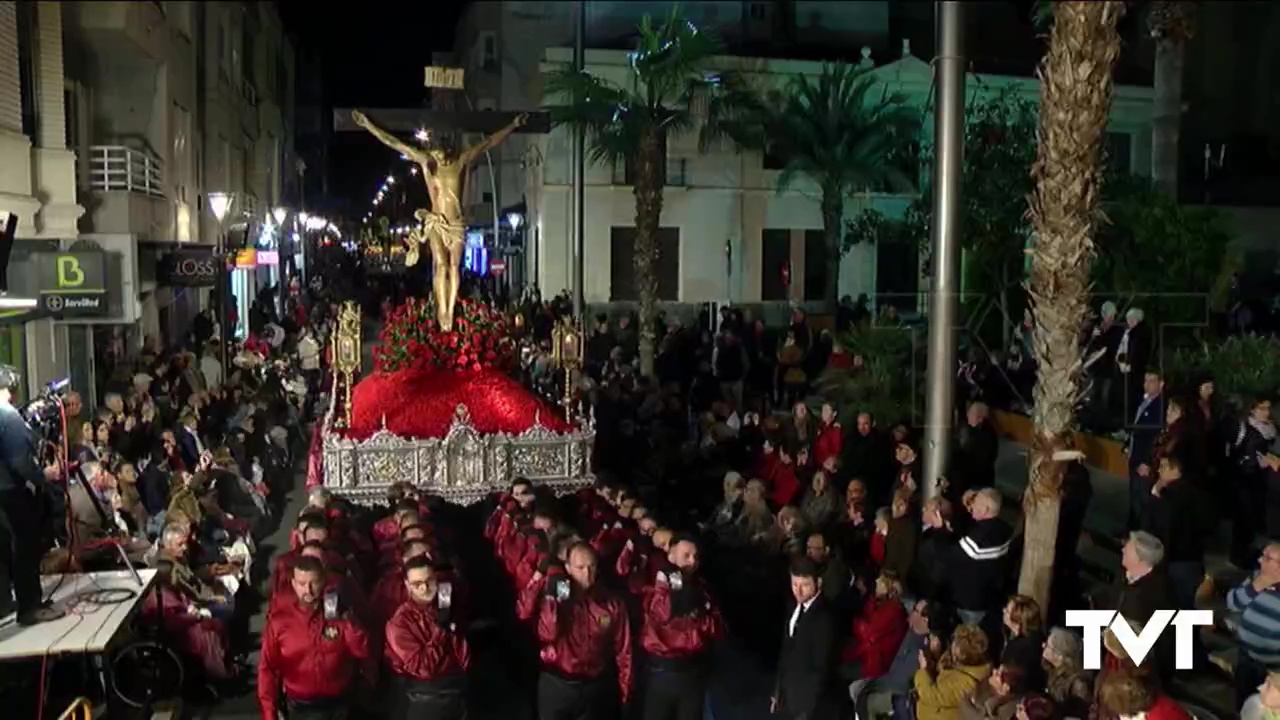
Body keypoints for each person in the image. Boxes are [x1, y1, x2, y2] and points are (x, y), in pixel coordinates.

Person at [257, 556, 376, 720]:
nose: (308, 590)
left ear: (324, 581)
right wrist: (269, 712)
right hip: (300, 707)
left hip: (341, 704)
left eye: (314, 582)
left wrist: (348, 621)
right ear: (293, 584)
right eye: (302, 584)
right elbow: (267, 669)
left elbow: (363, 651)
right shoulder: (280, 622)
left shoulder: (340, 614)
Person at [535, 542, 633, 720]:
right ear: (568, 568)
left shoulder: (612, 603)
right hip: (557, 684)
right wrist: (551, 599)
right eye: (580, 568)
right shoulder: (557, 597)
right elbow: (547, 634)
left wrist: (625, 692)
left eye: (591, 566)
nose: (587, 574)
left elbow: (624, 650)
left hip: (593, 687)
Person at [0, 365, 63, 624]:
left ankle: (5, 603)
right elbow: (21, 463)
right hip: (10, 493)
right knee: (26, 545)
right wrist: (44, 476)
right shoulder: (9, 418)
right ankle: (30, 607)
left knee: (3, 549)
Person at [639, 536, 725, 720]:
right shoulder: (654, 587)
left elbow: (718, 631)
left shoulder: (702, 590)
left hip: (692, 672)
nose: (692, 562)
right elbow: (659, 616)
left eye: (696, 557)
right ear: (671, 556)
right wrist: (675, 595)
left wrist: (701, 611)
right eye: (686, 555)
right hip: (660, 672)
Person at [384, 556, 470, 720]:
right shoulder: (400, 623)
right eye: (417, 584)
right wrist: (441, 630)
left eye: (429, 580)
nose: (424, 588)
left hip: (457, 692)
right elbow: (423, 667)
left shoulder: (446, 607)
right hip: (424, 698)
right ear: (408, 586)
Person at [773, 556, 837, 720]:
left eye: (805, 585)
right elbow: (786, 650)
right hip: (788, 695)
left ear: (819, 582)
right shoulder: (793, 605)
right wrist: (778, 690)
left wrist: (807, 711)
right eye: (795, 584)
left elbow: (822, 669)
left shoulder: (825, 618)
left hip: (808, 706)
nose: (798, 591)